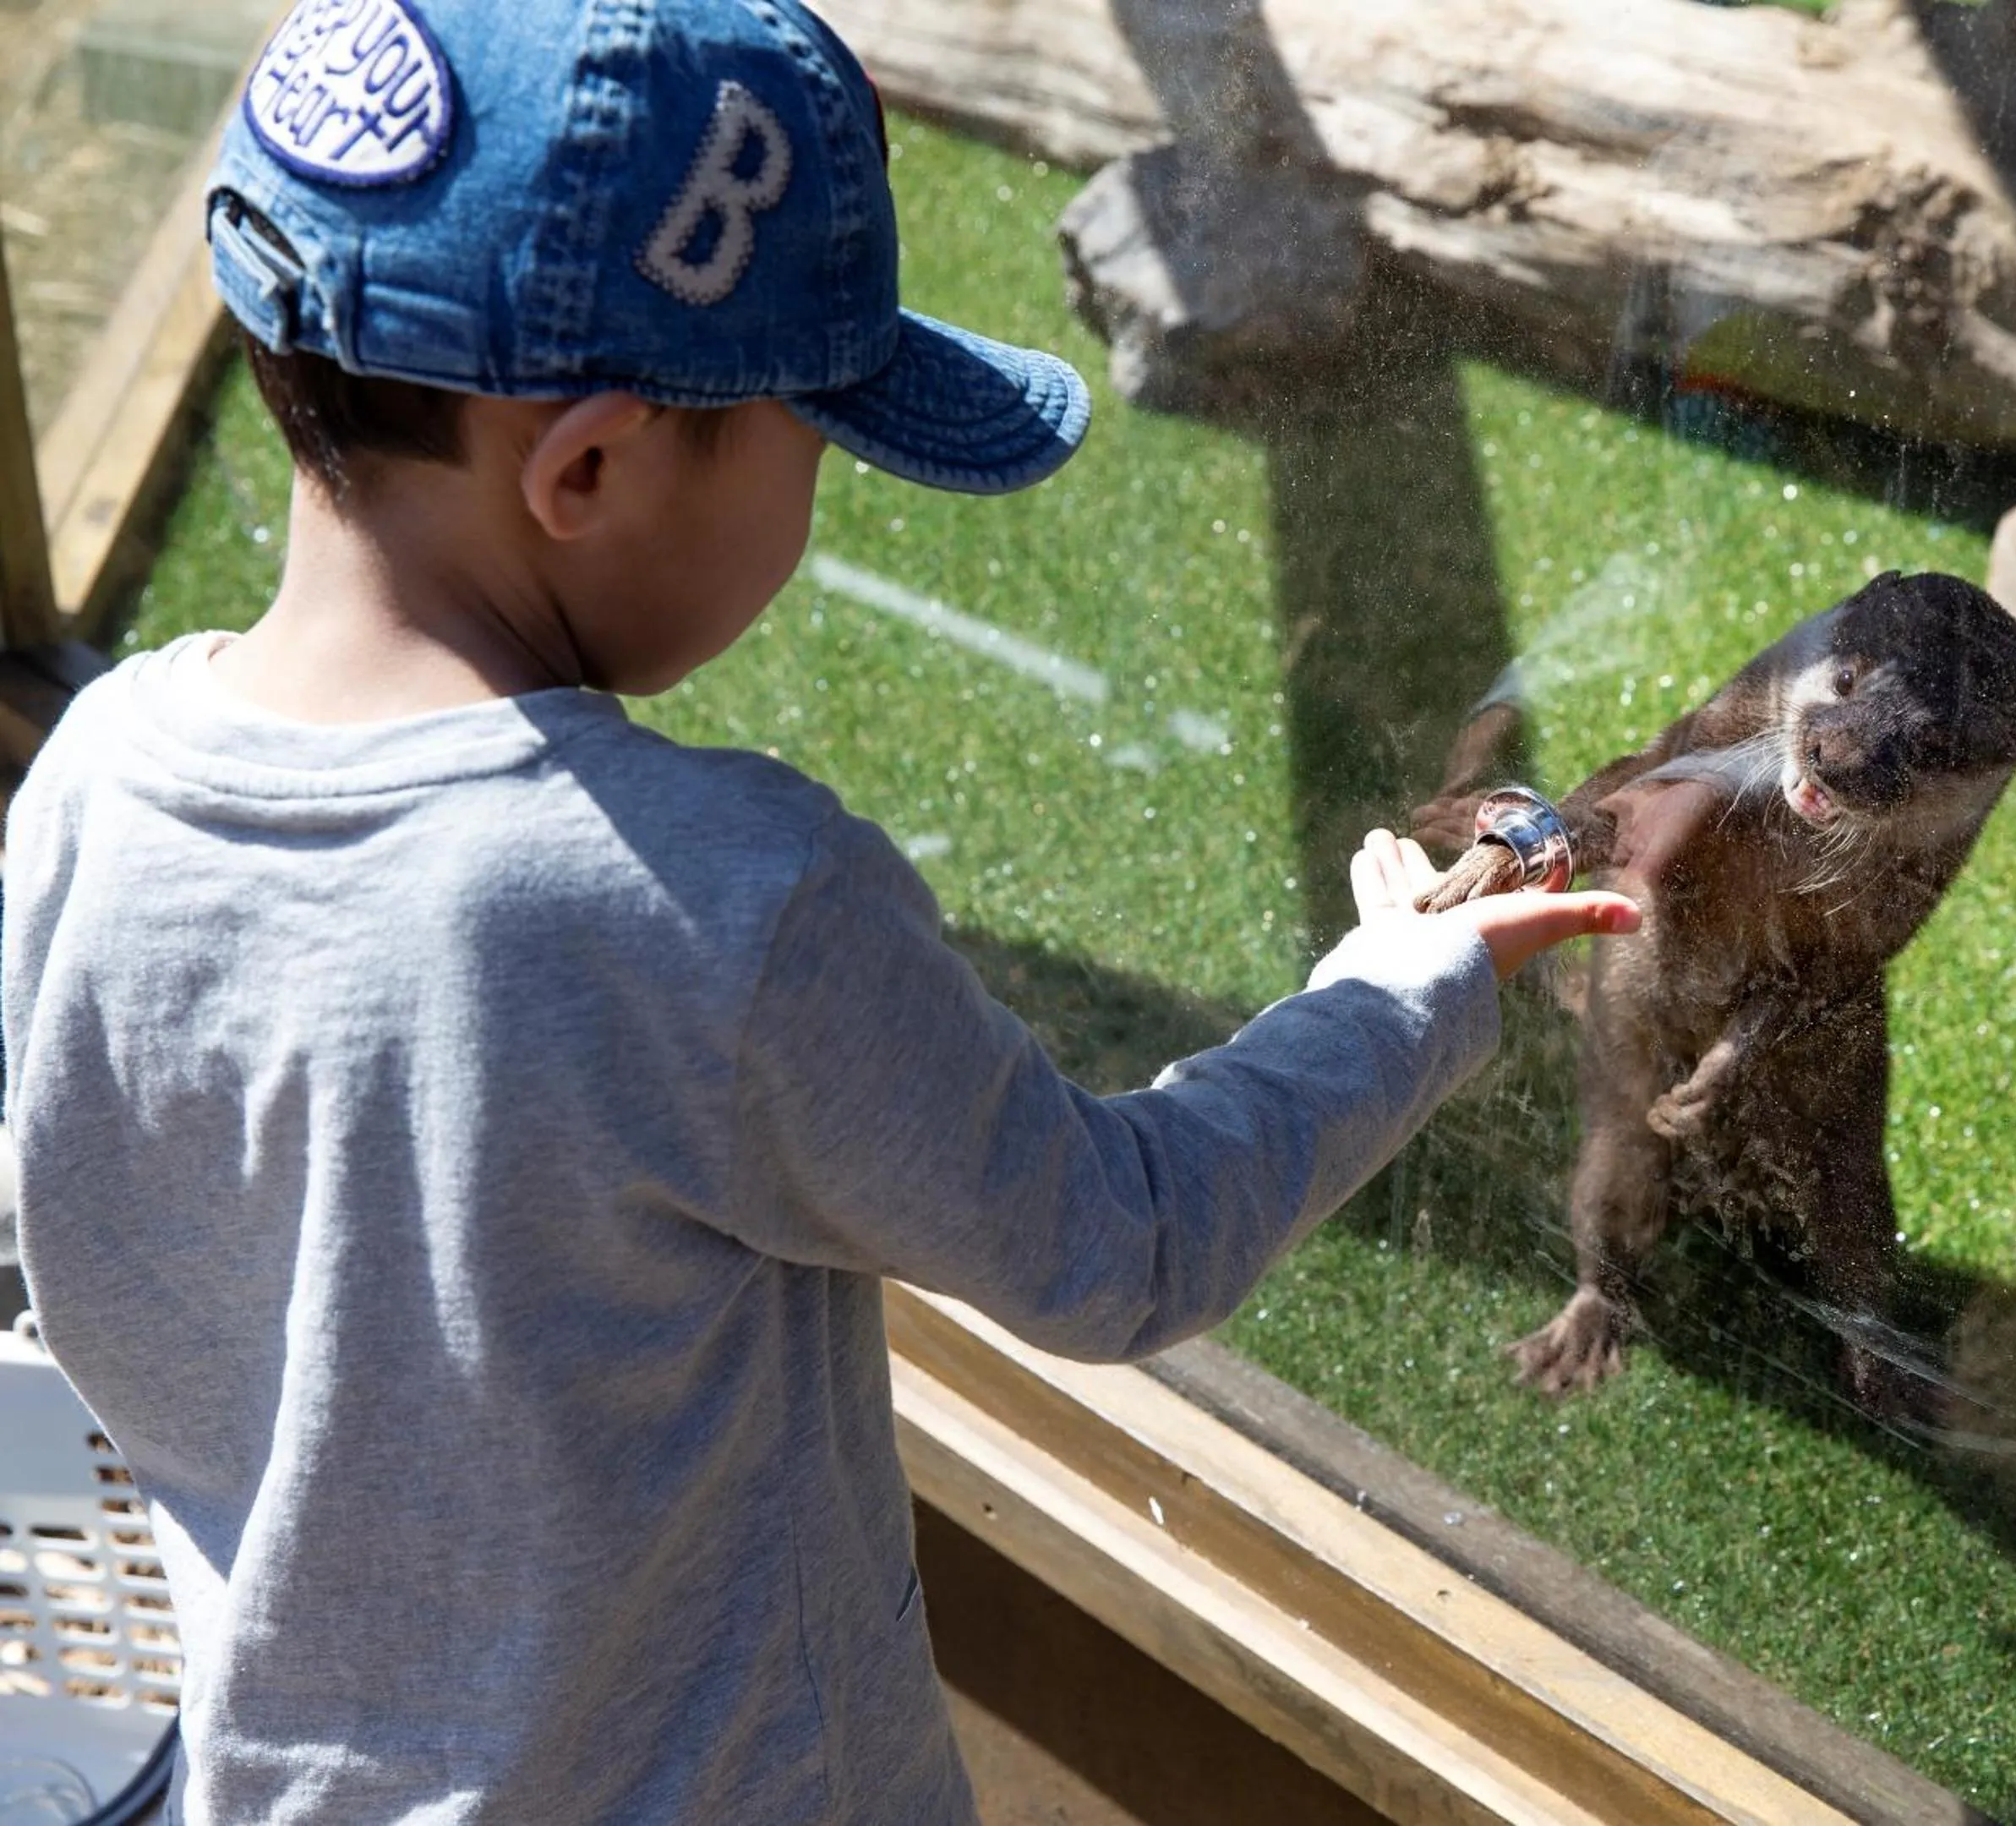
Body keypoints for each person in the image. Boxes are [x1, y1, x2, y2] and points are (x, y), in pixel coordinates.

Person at [0, 1, 1636, 1820]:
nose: (820, 488)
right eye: (811, 432)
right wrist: (1392, 993)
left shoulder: (89, 777)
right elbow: (1121, 1242)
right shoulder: (717, 904)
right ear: (591, 472)